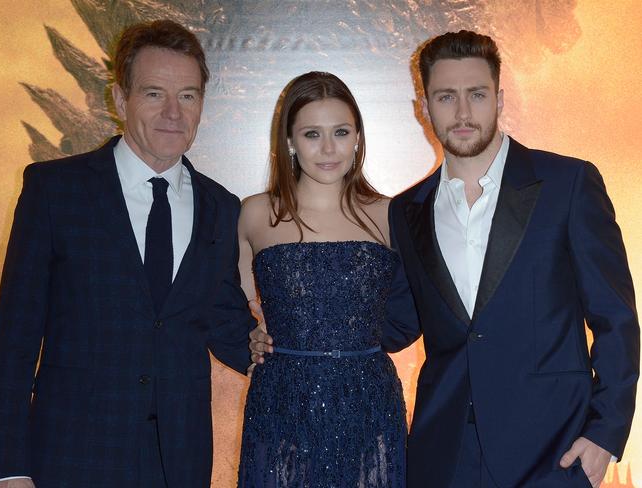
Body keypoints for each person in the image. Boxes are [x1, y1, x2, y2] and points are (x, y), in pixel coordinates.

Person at [252, 31, 639, 487]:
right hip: (444, 454)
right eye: (445, 96)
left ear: (498, 97)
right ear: (423, 104)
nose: (462, 113)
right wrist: (283, 332)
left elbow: (616, 318)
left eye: (476, 95)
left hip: (554, 452)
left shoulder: (567, 183)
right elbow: (394, 325)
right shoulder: (407, 210)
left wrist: (605, 435)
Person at [0, 20, 254, 488]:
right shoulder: (54, 191)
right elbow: (12, 342)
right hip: (69, 461)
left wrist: (301, 345)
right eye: (154, 94)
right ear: (119, 99)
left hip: (179, 463)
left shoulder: (221, 207)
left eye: (188, 96)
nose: (173, 112)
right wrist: (8, 469)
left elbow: (224, 322)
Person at [237, 71, 408, 487]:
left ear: (358, 138)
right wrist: (249, 334)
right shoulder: (256, 214)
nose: (329, 148)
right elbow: (235, 312)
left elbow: (415, 312)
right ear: (290, 141)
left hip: (368, 403)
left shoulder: (391, 216)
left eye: (341, 132)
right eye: (312, 134)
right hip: (281, 401)